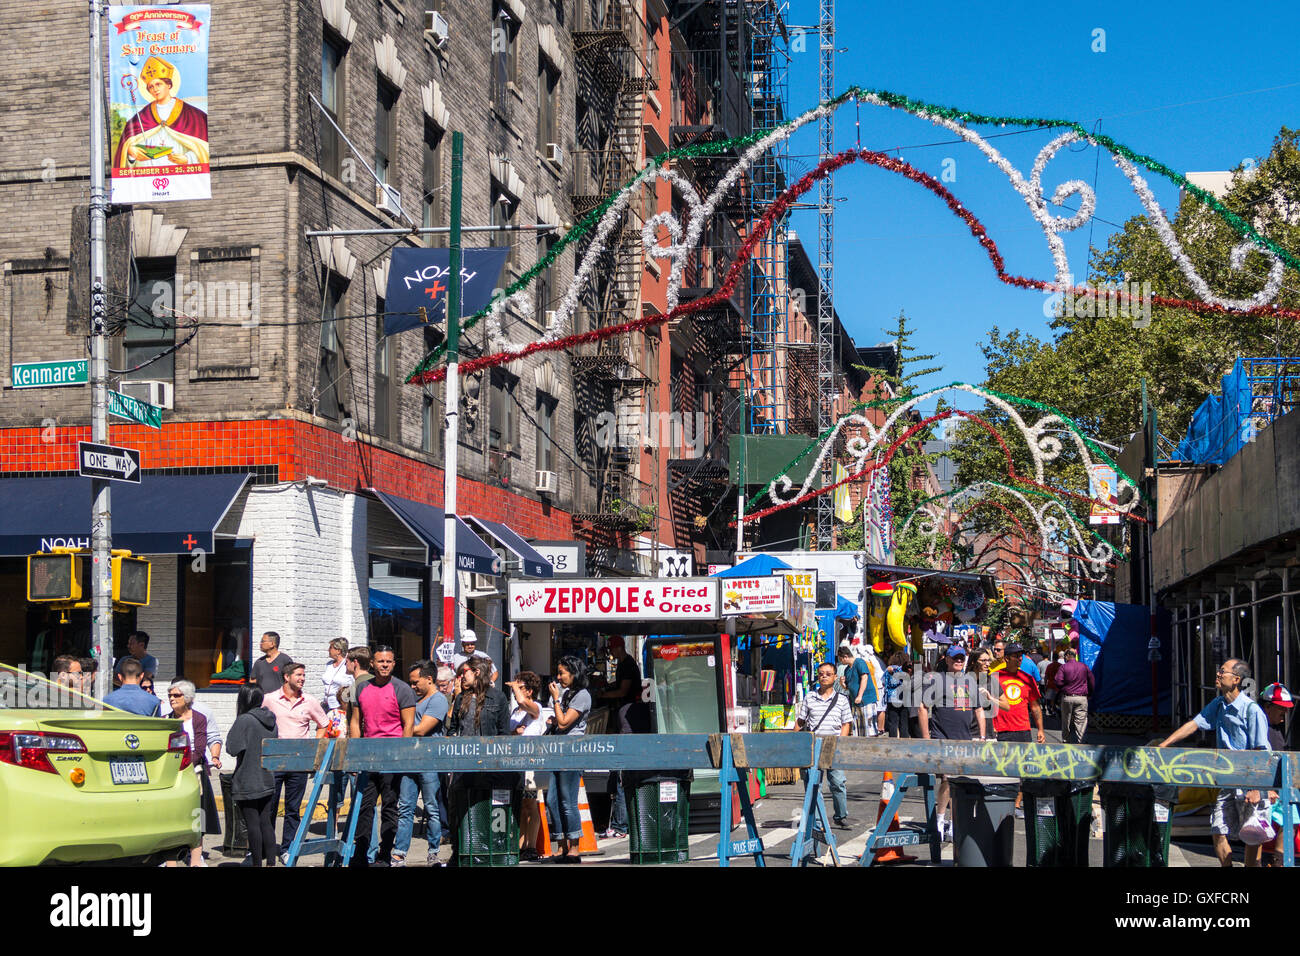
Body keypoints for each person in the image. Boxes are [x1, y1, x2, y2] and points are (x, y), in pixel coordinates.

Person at [1160, 659, 1272, 867]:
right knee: (1218, 829)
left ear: (1236, 679)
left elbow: (1261, 752)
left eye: (1223, 671)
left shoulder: (1252, 711)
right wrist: (1164, 745)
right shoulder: (1219, 705)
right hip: (1227, 780)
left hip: (1250, 779)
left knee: (1252, 834)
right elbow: (1193, 724)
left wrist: (1256, 788)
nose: (1218, 674)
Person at [350, 646, 416, 866]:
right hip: (367, 757)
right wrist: (355, 754)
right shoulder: (362, 688)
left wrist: (403, 757)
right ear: (372, 663)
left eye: (388, 661)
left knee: (390, 806)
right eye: (380, 661)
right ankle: (360, 853)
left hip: (393, 758)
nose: (384, 665)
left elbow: (408, 726)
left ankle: (385, 853)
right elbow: (355, 723)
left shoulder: (402, 689)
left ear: (394, 664)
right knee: (364, 806)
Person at [919, 646, 989, 842]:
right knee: (947, 780)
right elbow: (923, 708)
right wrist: (926, 740)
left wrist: (982, 737)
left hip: (965, 739)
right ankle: (940, 820)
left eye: (961, 658)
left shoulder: (970, 681)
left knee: (962, 782)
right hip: (942, 738)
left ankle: (954, 822)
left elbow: (979, 710)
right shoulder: (936, 680)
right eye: (955, 658)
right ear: (947, 660)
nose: (958, 661)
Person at [263, 662, 330, 861]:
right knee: (270, 807)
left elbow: (323, 724)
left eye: (303, 675)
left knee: (293, 808)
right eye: (299, 675)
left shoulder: (309, 701)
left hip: (299, 762)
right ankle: (265, 847)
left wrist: (314, 746)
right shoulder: (269, 699)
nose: (302, 678)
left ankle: (287, 848)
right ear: (286, 677)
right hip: (275, 761)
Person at [393, 660, 447, 867]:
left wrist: (396, 727)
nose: (412, 686)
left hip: (429, 760)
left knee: (432, 807)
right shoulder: (413, 699)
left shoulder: (438, 700)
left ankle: (433, 852)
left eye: (416, 682)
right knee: (405, 808)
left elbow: (422, 728)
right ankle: (399, 853)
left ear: (429, 679)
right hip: (410, 759)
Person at [112, 55, 210, 170]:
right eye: (151, 87)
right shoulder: (141, 117)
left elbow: (204, 147)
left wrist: (188, 158)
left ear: (168, 85)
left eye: (158, 84)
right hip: (147, 179)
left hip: (183, 179)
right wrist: (130, 152)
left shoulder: (192, 115)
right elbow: (126, 148)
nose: (155, 89)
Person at [164, 680, 222, 866]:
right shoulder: (166, 719)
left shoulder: (198, 718)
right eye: (170, 695)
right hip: (170, 775)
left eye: (176, 695)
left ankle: (196, 859)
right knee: (171, 817)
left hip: (193, 773)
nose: (172, 699)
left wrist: (180, 763)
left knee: (197, 817)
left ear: (187, 698)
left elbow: (198, 750)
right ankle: (170, 860)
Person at [595, 635, 645, 838]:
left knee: (622, 774)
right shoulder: (624, 664)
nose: (611, 654)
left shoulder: (627, 665)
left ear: (619, 647)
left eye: (612, 649)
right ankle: (621, 824)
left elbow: (623, 690)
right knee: (622, 773)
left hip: (628, 713)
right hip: (625, 714)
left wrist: (603, 694)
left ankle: (620, 826)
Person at [795, 661, 852, 829]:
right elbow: (800, 721)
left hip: (834, 745)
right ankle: (817, 820)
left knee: (838, 783)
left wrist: (840, 743)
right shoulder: (809, 697)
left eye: (828, 673)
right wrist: (794, 741)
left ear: (835, 677)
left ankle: (840, 815)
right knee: (814, 784)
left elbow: (846, 724)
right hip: (814, 746)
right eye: (821, 674)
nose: (824, 676)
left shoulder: (842, 700)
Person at [226, 686, 278, 866]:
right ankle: (271, 862)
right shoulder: (271, 719)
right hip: (267, 777)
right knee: (266, 823)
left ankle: (257, 863)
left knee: (253, 824)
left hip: (248, 778)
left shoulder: (244, 720)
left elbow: (232, 748)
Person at [547, 656, 592, 862]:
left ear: (573, 673)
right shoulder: (567, 694)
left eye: (562, 673)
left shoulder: (582, 695)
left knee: (568, 800)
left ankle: (574, 847)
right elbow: (559, 721)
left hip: (572, 751)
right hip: (558, 750)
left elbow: (565, 723)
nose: (558, 677)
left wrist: (556, 699)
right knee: (552, 800)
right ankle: (561, 844)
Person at [507, 671, 548, 859]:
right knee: (521, 804)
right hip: (516, 761)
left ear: (530, 691)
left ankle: (531, 846)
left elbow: (524, 703)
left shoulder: (536, 708)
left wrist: (515, 688)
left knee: (531, 803)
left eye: (521, 687)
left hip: (532, 762)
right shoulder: (515, 712)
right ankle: (521, 845)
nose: (517, 691)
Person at [1258, 683, 1293, 866]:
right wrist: (1266, 789)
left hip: (1281, 788)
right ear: (1267, 706)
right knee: (1259, 827)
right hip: (1265, 789)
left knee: (1291, 821)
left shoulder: (1278, 730)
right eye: (1281, 709)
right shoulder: (1259, 728)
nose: (1284, 713)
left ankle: (1278, 862)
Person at [1054, 646, 1095, 744]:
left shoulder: (1063, 667)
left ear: (1067, 656)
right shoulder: (1084, 666)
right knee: (1081, 722)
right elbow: (1092, 681)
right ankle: (1082, 741)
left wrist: (1065, 688)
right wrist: (1090, 693)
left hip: (1067, 697)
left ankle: (1066, 740)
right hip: (1081, 698)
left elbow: (1058, 682)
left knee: (1066, 721)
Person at [837, 645, 877, 737]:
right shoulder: (847, 669)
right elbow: (847, 687)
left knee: (868, 726)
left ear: (846, 656)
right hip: (855, 701)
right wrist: (842, 683)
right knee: (858, 726)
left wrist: (860, 695)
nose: (840, 661)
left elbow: (864, 677)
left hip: (866, 699)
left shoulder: (859, 662)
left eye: (841, 659)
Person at [321, 637, 353, 718]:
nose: (328, 650)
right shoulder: (329, 664)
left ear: (338, 650)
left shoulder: (347, 665)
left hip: (339, 706)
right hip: (326, 705)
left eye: (330, 648)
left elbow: (352, 683)